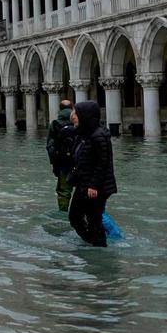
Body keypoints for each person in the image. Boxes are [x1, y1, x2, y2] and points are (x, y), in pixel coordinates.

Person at [68, 100, 118, 247]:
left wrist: (94, 186)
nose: (74, 116)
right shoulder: (84, 133)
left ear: (86, 115)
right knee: (75, 217)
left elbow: (103, 163)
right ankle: (91, 241)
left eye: (77, 113)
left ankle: (98, 246)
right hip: (83, 184)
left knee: (94, 220)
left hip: (95, 188)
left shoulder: (98, 135)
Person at [45, 99, 76, 212]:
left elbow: (50, 147)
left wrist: (54, 163)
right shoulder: (78, 122)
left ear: (60, 109)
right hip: (79, 161)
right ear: (72, 107)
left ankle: (63, 213)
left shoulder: (55, 124)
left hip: (63, 162)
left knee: (63, 191)